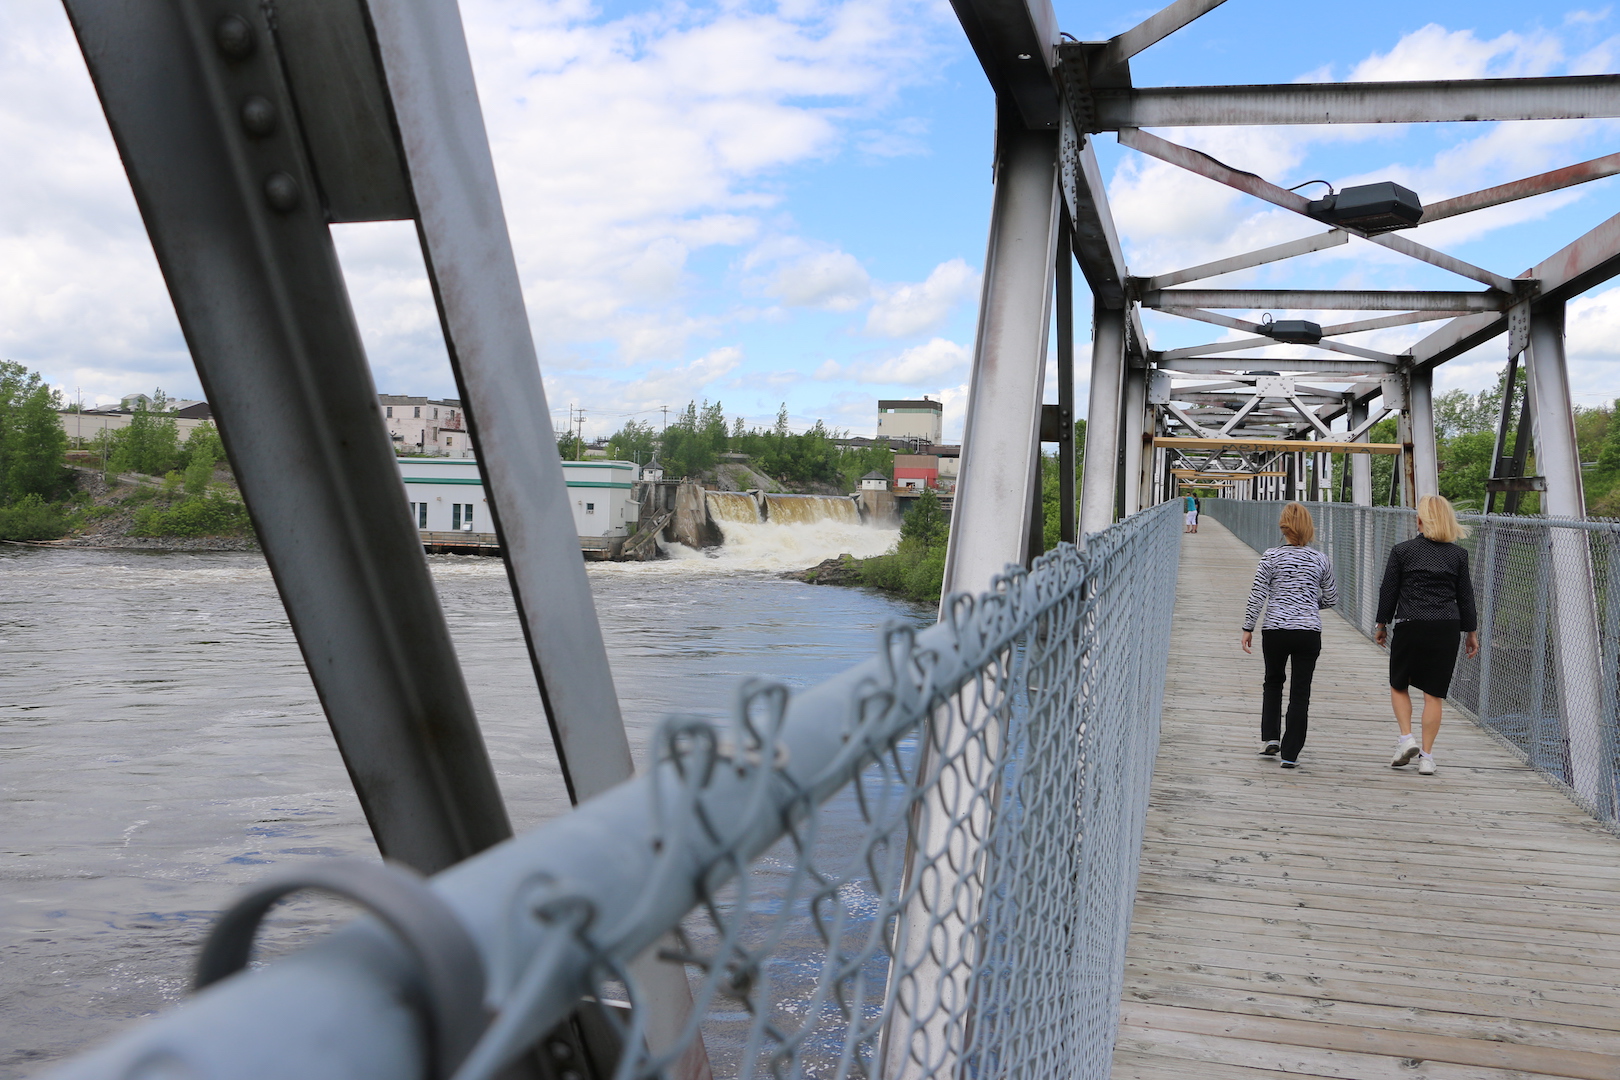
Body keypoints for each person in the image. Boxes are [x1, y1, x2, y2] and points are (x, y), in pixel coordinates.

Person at [1376, 494, 1480, 776]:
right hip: (1446, 627)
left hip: (1411, 624)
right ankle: (1427, 757)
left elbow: (1389, 591)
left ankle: (1406, 739)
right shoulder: (1458, 555)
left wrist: (1382, 624)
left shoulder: (1403, 550)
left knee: (1400, 684)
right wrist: (1471, 631)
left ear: (1420, 520)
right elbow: (1466, 597)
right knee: (1434, 694)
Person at [1240, 502, 1338, 769]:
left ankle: (1270, 737)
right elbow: (1331, 598)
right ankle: (1291, 753)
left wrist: (1248, 626)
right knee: (1300, 691)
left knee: (1273, 681)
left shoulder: (1271, 556)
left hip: (1276, 630)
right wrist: (1306, 605)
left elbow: (1258, 594)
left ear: (1283, 527)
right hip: (1308, 632)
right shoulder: (1320, 559)